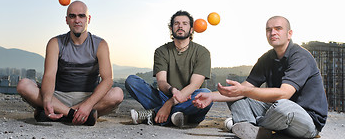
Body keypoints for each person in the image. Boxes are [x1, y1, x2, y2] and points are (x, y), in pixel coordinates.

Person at [193, 16, 328, 139]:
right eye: (268, 30)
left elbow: (284, 94)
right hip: (275, 115)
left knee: (283, 106)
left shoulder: (300, 56)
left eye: (278, 29)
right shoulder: (267, 58)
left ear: (289, 34)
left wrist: (243, 91)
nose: (272, 33)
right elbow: (244, 88)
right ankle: (252, 129)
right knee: (236, 95)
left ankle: (247, 124)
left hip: (306, 120)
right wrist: (211, 96)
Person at [17, 1, 123, 126]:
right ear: (67, 20)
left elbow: (107, 80)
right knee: (23, 85)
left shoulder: (100, 44)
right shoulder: (55, 42)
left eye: (81, 16)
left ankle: (61, 114)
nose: (77, 20)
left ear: (88, 19)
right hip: (58, 96)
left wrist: (87, 104)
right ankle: (76, 116)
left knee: (117, 94)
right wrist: (47, 100)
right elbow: (49, 75)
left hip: (88, 97)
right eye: (72, 16)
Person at [125, 10, 213, 127]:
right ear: (171, 28)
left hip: (191, 100)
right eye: (176, 23)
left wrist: (169, 104)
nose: (180, 26)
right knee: (132, 81)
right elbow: (161, 82)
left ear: (191, 29)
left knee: (206, 94)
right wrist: (172, 91)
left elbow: (194, 86)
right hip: (166, 95)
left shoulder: (202, 52)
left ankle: (155, 114)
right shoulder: (161, 51)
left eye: (185, 23)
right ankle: (177, 117)